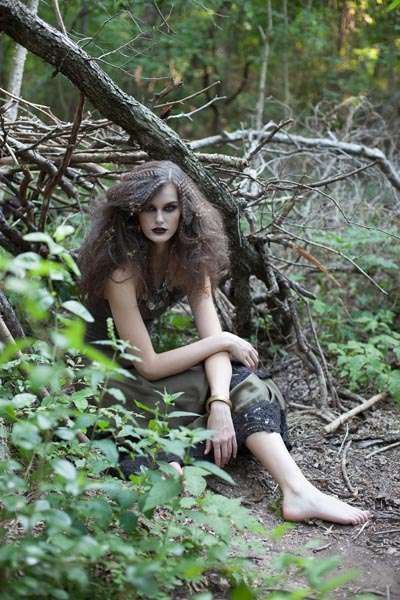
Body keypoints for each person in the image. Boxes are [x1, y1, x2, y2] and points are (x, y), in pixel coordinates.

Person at [78, 160, 371, 526]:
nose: (159, 219)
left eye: (170, 208)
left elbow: (214, 344)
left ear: (184, 212)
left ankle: (297, 490)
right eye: (149, 209)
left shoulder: (189, 258)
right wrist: (225, 339)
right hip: (106, 382)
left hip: (146, 381)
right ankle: (173, 463)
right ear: (133, 212)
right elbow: (149, 364)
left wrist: (218, 401)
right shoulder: (121, 271)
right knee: (239, 379)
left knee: (237, 379)